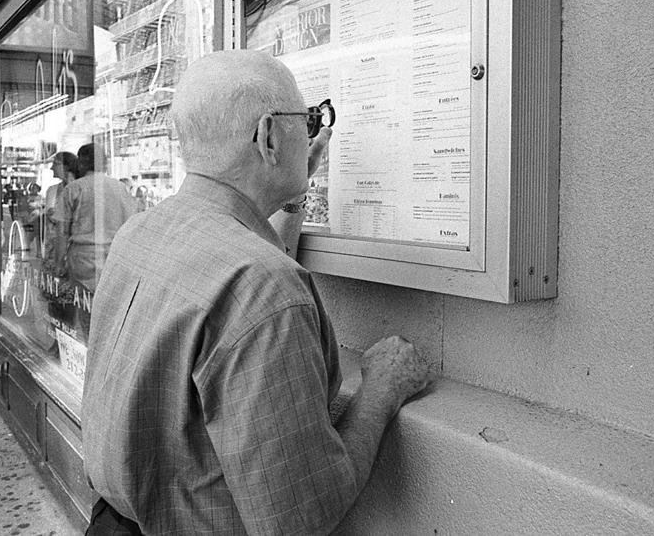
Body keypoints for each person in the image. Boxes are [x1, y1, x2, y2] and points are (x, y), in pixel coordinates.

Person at [82, 50, 429, 535]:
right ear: (268, 136)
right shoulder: (265, 287)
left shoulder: (138, 233)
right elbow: (302, 517)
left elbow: (236, 271)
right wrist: (381, 391)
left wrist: (289, 190)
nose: (312, 132)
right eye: (307, 121)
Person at [49, 143, 135, 293]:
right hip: (114, 257)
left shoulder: (74, 189)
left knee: (84, 303)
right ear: (104, 164)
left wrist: (58, 263)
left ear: (81, 163)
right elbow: (131, 225)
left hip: (83, 259)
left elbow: (62, 232)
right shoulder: (120, 188)